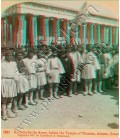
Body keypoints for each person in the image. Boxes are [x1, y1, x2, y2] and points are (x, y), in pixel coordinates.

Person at [1, 50, 18, 120]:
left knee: (11, 98)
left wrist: (16, 79)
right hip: (4, 81)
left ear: (12, 56)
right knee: (4, 99)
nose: (9, 57)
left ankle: (9, 112)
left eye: (10, 55)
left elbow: (16, 72)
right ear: (5, 56)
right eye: (7, 55)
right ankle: (4, 114)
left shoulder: (14, 64)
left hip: (12, 81)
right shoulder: (2, 64)